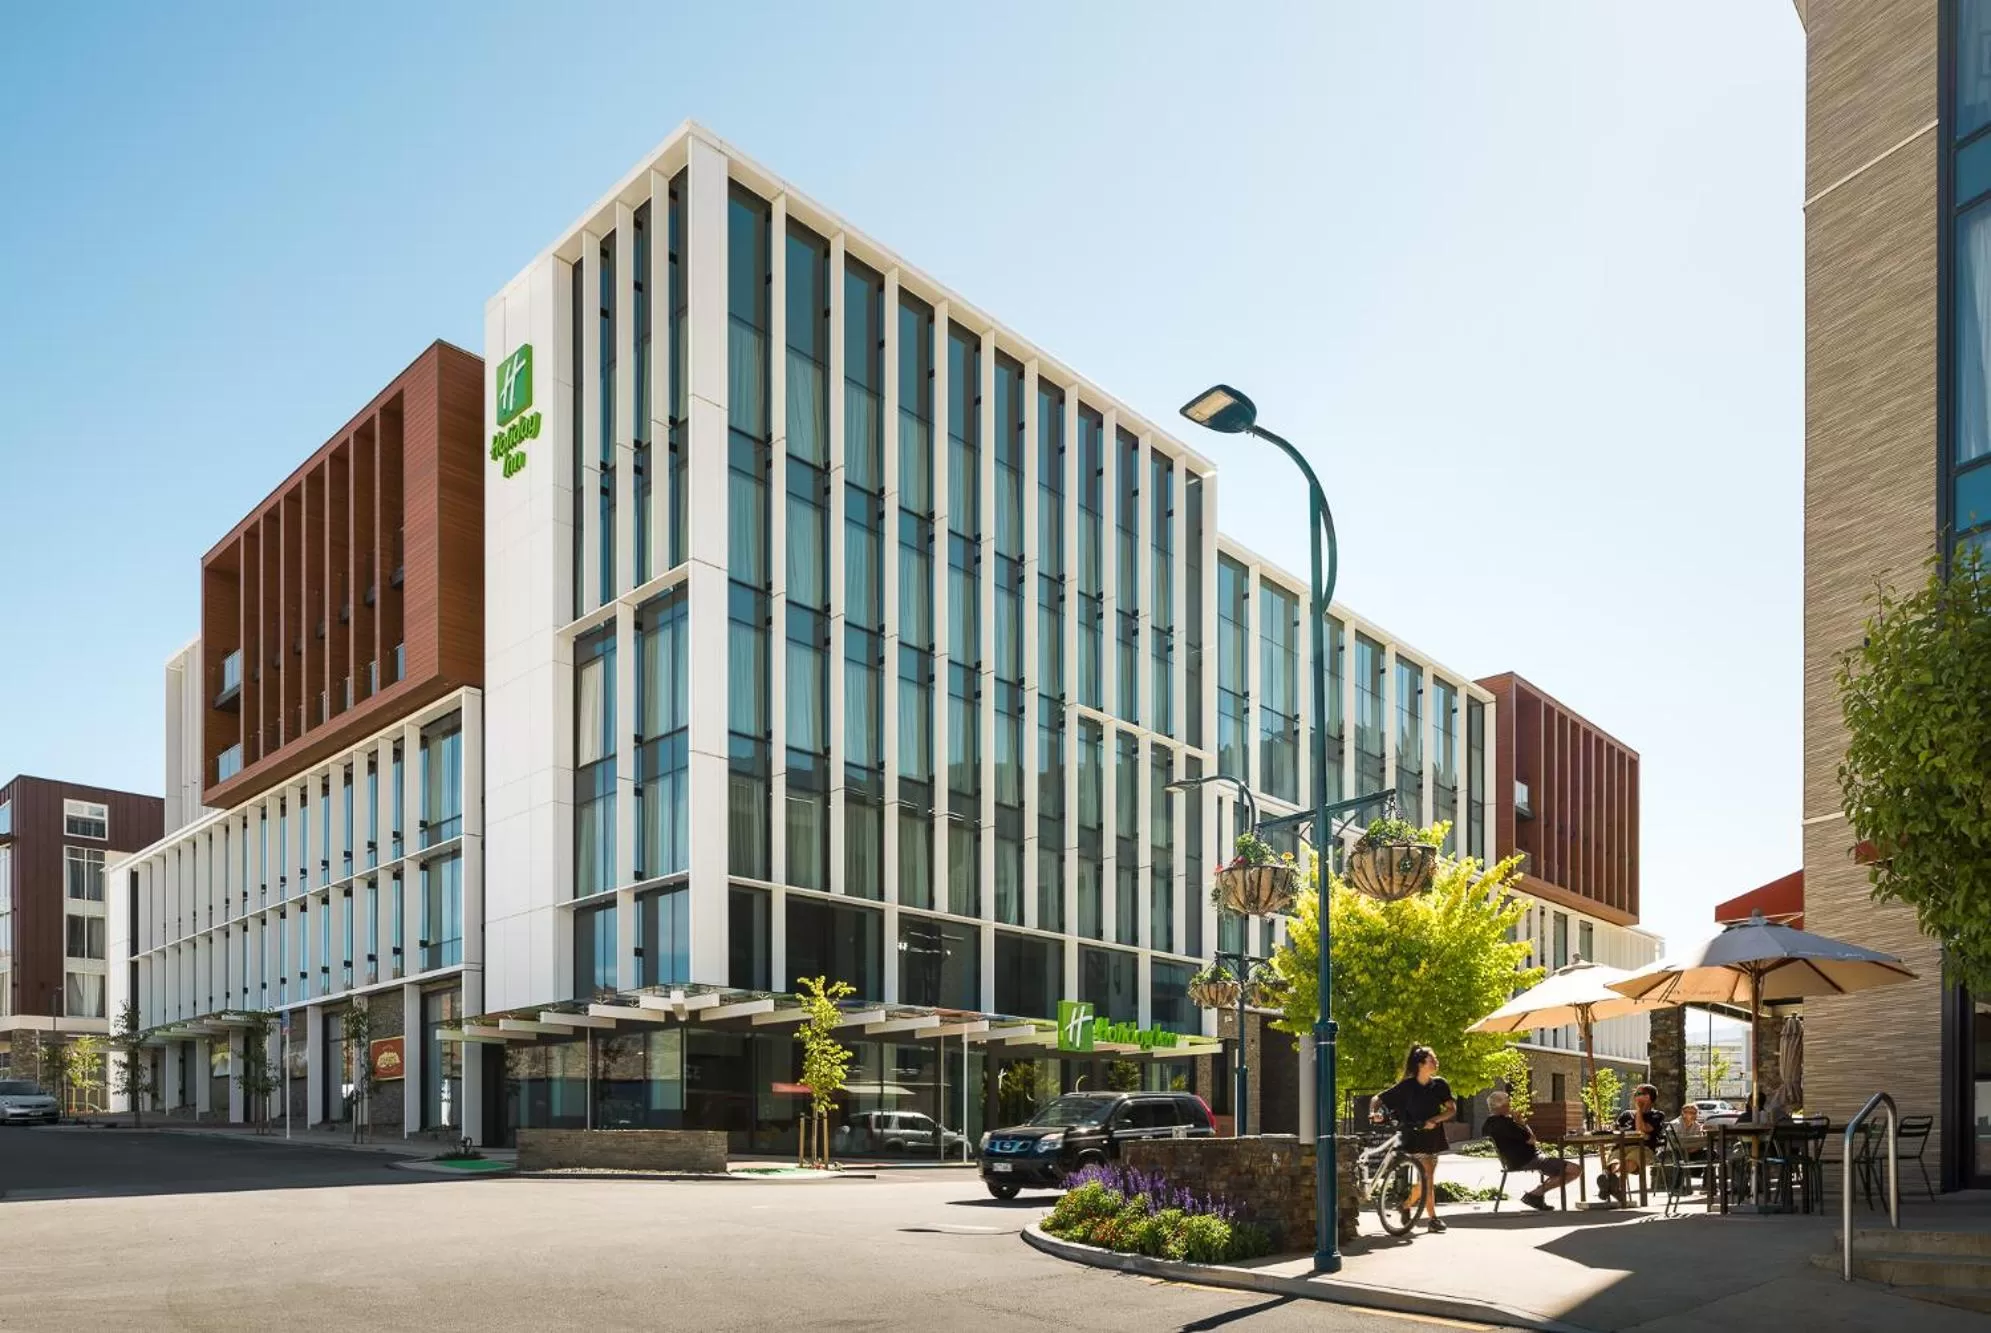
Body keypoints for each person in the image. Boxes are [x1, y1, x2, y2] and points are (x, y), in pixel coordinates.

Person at [1373, 1044, 1456, 1232]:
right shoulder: (1407, 1087)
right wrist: (1374, 1112)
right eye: (1432, 1059)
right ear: (1420, 1064)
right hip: (1413, 1136)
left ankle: (1405, 1205)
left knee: (1427, 1179)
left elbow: (1452, 1110)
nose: (1436, 1062)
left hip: (1433, 1137)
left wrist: (1435, 1119)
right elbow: (1378, 1099)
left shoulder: (1440, 1085)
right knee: (1427, 1176)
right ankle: (1433, 1219)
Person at [1482, 1090, 1581, 1211]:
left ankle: (1537, 1195)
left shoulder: (1489, 1123)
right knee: (1575, 1170)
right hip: (1527, 1159)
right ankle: (1535, 1194)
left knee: (1561, 1171)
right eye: (1508, 1104)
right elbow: (1532, 1139)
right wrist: (1521, 1122)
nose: (1510, 1106)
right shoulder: (1505, 1124)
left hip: (1517, 1159)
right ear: (1501, 1106)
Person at [1602, 1082, 1666, 1202]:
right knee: (1615, 1160)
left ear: (1649, 1097)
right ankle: (1615, 1185)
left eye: (1639, 1093)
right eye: (1635, 1093)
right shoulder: (1626, 1114)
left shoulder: (1657, 1115)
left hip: (1644, 1148)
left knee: (1630, 1160)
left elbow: (1640, 1130)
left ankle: (1611, 1183)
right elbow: (1615, 1131)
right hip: (1621, 1146)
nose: (1635, 1096)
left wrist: (1638, 1110)